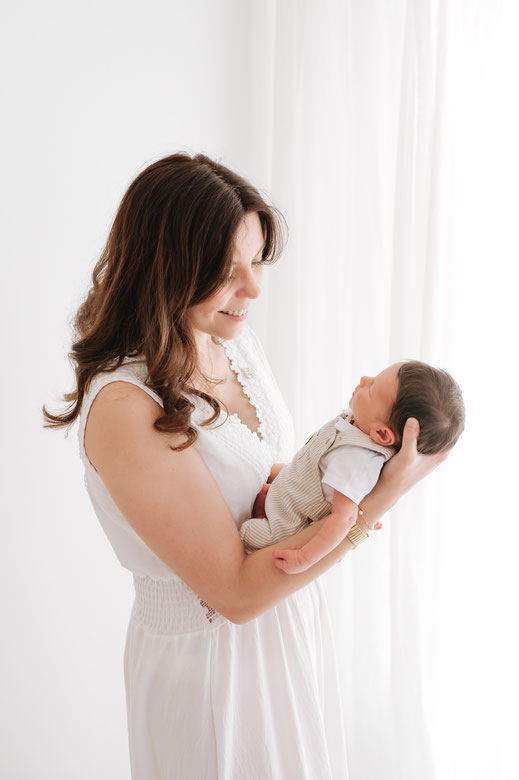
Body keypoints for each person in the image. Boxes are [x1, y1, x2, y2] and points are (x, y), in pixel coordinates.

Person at [42, 152, 449, 779]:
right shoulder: (126, 405)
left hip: (286, 629)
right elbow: (232, 594)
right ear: (166, 269)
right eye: (229, 272)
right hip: (210, 662)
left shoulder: (228, 339)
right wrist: (375, 504)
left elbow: (259, 472)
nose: (255, 288)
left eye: (256, 261)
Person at [240, 360, 465, 574]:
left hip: (285, 526)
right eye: (373, 377)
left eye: (372, 389)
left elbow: (344, 518)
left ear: (382, 434)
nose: (364, 379)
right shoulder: (357, 423)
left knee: (246, 533)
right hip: (289, 493)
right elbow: (314, 465)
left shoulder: (358, 460)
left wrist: (304, 558)